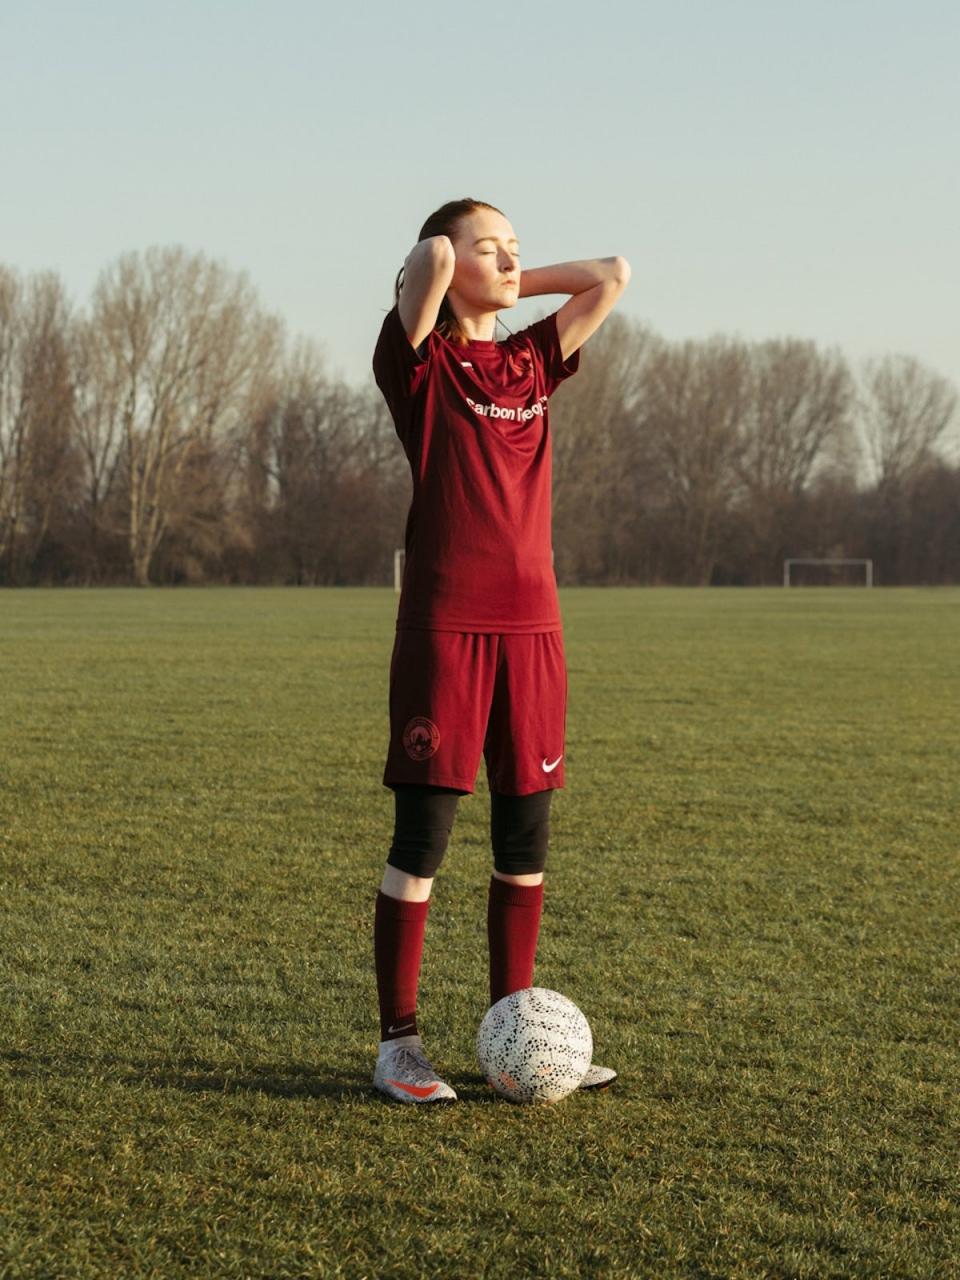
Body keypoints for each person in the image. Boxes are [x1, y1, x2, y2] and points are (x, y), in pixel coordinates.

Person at [371, 198, 631, 1103]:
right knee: (424, 839)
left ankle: (511, 1030)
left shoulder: (530, 360)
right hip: (446, 628)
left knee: (526, 841)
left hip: (536, 630)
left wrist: (514, 273)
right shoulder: (421, 360)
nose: (510, 259)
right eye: (495, 246)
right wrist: (455, 253)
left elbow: (610, 277)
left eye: (517, 245)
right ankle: (398, 1046)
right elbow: (433, 260)